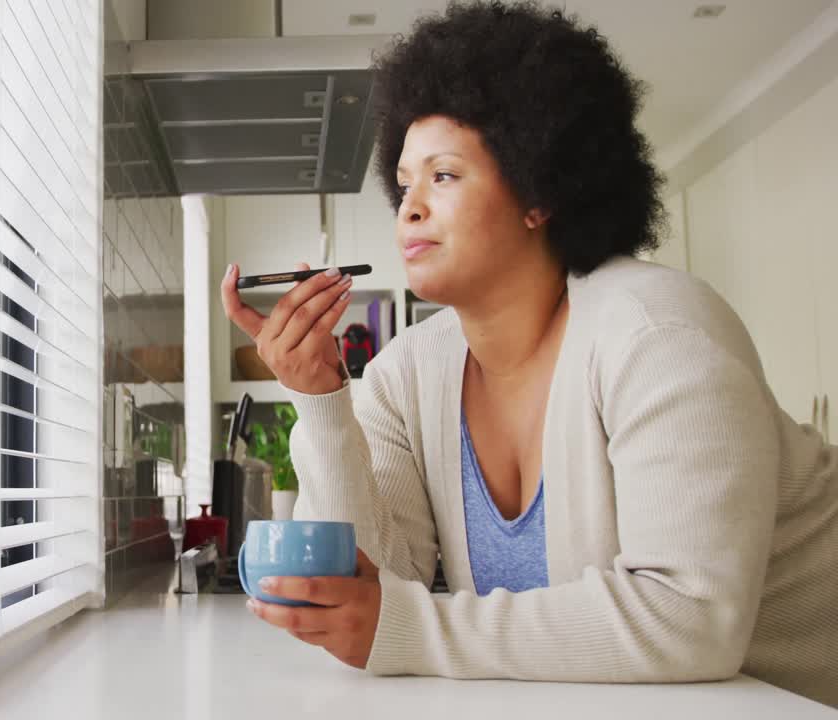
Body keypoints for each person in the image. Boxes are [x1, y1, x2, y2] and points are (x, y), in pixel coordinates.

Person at [220, 0, 838, 707]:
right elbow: (379, 586)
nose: (409, 207)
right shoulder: (403, 375)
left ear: (538, 192)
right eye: (405, 182)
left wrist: (406, 627)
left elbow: (690, 617)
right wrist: (322, 399)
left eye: (444, 176)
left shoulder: (657, 333)